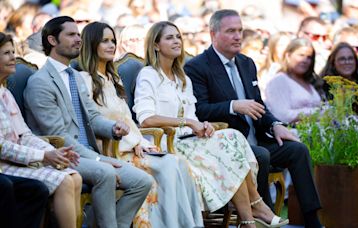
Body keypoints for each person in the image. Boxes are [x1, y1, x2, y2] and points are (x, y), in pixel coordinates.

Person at [134, 21, 289, 228]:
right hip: (164, 144)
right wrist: (187, 122)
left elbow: (192, 118)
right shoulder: (148, 75)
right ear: (155, 45)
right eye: (169, 37)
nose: (176, 41)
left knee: (231, 137)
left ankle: (250, 219)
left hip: (188, 140)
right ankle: (256, 211)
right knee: (228, 153)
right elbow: (146, 119)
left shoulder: (183, 78)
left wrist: (203, 125)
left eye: (178, 36)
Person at [184, 9, 322, 228]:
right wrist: (233, 106)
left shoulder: (247, 63)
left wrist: (275, 125)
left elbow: (259, 105)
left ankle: (313, 220)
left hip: (257, 138)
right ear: (213, 34)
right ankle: (264, 220)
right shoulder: (197, 66)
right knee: (262, 154)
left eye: (240, 30)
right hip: (226, 146)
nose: (238, 36)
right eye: (231, 31)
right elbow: (199, 110)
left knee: (298, 149)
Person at [23, 16, 153, 228]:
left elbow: (92, 117)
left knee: (142, 181)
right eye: (71, 34)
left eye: (78, 34)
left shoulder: (74, 76)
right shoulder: (40, 82)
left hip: (89, 152)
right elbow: (59, 136)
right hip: (62, 156)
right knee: (106, 172)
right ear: (53, 41)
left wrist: (113, 128)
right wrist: (100, 160)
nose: (78, 39)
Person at [78, 21, 203, 228]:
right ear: (92, 44)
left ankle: (186, 224)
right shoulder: (84, 79)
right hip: (111, 150)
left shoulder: (111, 78)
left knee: (176, 162)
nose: (111, 46)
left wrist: (140, 141)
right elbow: (93, 121)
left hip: (130, 145)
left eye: (113, 41)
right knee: (170, 165)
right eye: (104, 41)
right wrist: (131, 140)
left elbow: (127, 118)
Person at [0, 31, 82, 228]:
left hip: (18, 160)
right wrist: (42, 155)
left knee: (74, 176)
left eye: (13, 51)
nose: (14, 57)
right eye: (6, 53)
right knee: (64, 181)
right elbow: (2, 147)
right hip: (4, 165)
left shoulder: (6, 93)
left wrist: (50, 152)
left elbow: (25, 135)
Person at [264, 38, 322, 124]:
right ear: (288, 56)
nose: (305, 60)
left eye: (309, 57)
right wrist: (316, 113)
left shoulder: (309, 82)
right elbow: (281, 115)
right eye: (301, 55)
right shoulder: (279, 81)